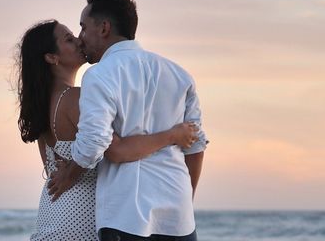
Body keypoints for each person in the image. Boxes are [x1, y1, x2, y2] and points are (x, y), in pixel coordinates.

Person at [17, 20, 199, 241]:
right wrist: (174, 135)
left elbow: (52, 167)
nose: (78, 40)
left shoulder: (43, 105)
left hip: (54, 210)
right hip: (82, 215)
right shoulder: (77, 99)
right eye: (68, 39)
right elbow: (119, 150)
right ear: (51, 57)